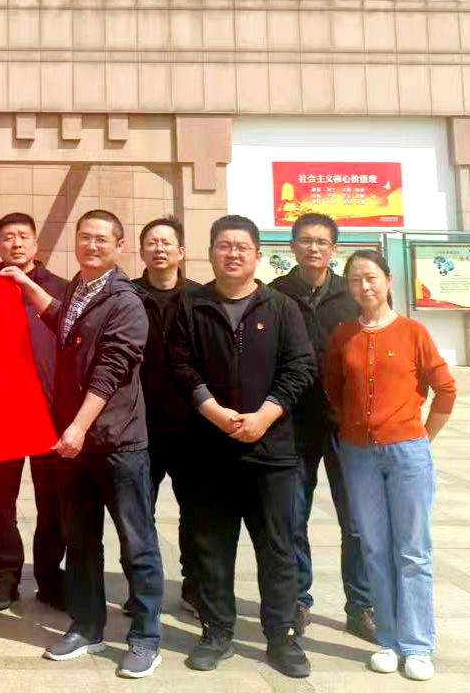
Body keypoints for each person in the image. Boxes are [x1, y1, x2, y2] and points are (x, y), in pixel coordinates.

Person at [5, 209, 165, 681]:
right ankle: (87, 626)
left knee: (137, 543)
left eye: (101, 239)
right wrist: (26, 284)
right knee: (80, 541)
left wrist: (76, 426)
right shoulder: (78, 288)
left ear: (119, 247)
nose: (91, 245)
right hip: (75, 447)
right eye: (84, 237)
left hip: (117, 443)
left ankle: (145, 637)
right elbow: (61, 320)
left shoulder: (126, 301)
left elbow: (112, 369)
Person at [166, 214, 316, 679]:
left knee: (277, 549)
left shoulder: (281, 307)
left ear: (257, 255)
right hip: (208, 452)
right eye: (224, 246)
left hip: (271, 452)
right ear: (210, 252)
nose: (232, 254)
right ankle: (216, 633)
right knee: (212, 547)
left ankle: (281, 637)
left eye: (241, 247)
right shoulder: (190, 305)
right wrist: (213, 411)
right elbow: (179, 365)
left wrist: (264, 416)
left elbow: (300, 366)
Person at [326, 251, 456, 683]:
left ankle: (417, 645)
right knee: (374, 548)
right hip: (358, 454)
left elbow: (445, 389)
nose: (364, 287)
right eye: (355, 280)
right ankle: (388, 639)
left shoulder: (413, 332)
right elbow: (334, 390)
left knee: (412, 550)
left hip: (407, 453)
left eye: (371, 278)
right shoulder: (343, 335)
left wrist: (422, 437)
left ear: (388, 280)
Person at [271, 213, 376, 642]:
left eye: (322, 242)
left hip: (344, 427)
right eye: (305, 240)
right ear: (292, 246)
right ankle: (298, 601)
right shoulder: (275, 294)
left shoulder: (351, 296)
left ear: (334, 249)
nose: (313, 248)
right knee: (293, 518)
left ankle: (361, 605)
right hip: (293, 425)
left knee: (356, 520)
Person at [0, 212, 68, 612]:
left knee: (52, 502)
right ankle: (6, 576)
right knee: (1, 501)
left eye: (23, 237)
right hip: (0, 414)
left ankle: (50, 577)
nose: (16, 244)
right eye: (7, 237)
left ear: (35, 244)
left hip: (50, 413)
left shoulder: (61, 290)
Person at [130, 216, 202, 620]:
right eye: (151, 243)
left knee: (196, 512)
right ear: (141, 252)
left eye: (166, 243)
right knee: (139, 513)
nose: (159, 249)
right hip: (139, 426)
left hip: (192, 426)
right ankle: (142, 589)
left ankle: (194, 586)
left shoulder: (200, 298)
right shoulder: (127, 295)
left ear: (181, 252)